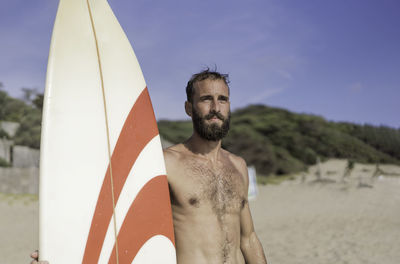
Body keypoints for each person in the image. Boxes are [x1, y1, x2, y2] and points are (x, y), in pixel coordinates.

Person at [31, 69, 267, 264]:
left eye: (222, 99)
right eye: (206, 99)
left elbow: (248, 239)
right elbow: (113, 217)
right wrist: (60, 253)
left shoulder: (239, 166)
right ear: (188, 108)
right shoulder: (165, 163)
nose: (216, 107)